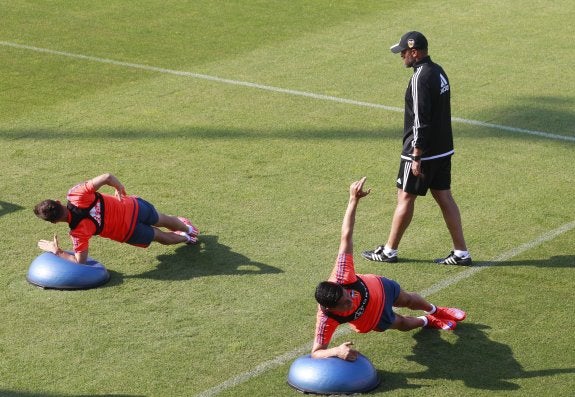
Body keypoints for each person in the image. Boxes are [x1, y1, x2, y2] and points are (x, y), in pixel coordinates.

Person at [312, 177, 466, 360]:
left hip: (380, 287)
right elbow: (316, 352)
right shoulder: (325, 319)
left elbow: (346, 235)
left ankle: (436, 310)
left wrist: (353, 199)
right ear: (331, 309)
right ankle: (428, 321)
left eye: (347, 295)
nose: (350, 301)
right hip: (373, 318)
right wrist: (336, 351)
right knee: (402, 323)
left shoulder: (341, 275)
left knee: (409, 299)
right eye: (345, 304)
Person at [362, 31, 471, 266]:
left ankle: (389, 251)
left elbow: (421, 119)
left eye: (404, 52)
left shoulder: (419, 78)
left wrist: (416, 154)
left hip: (422, 150)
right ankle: (461, 252)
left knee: (405, 196)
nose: (401, 55)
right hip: (443, 149)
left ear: (415, 51)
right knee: (444, 196)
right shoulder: (438, 70)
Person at [33, 173, 199, 264]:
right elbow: (107, 177)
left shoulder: (77, 233)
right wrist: (119, 189)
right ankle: (189, 229)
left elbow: (79, 261)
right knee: (162, 218)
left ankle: (186, 239)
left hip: (129, 232)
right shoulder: (75, 194)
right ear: (57, 201)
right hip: (133, 207)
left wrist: (57, 251)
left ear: (54, 222)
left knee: (161, 237)